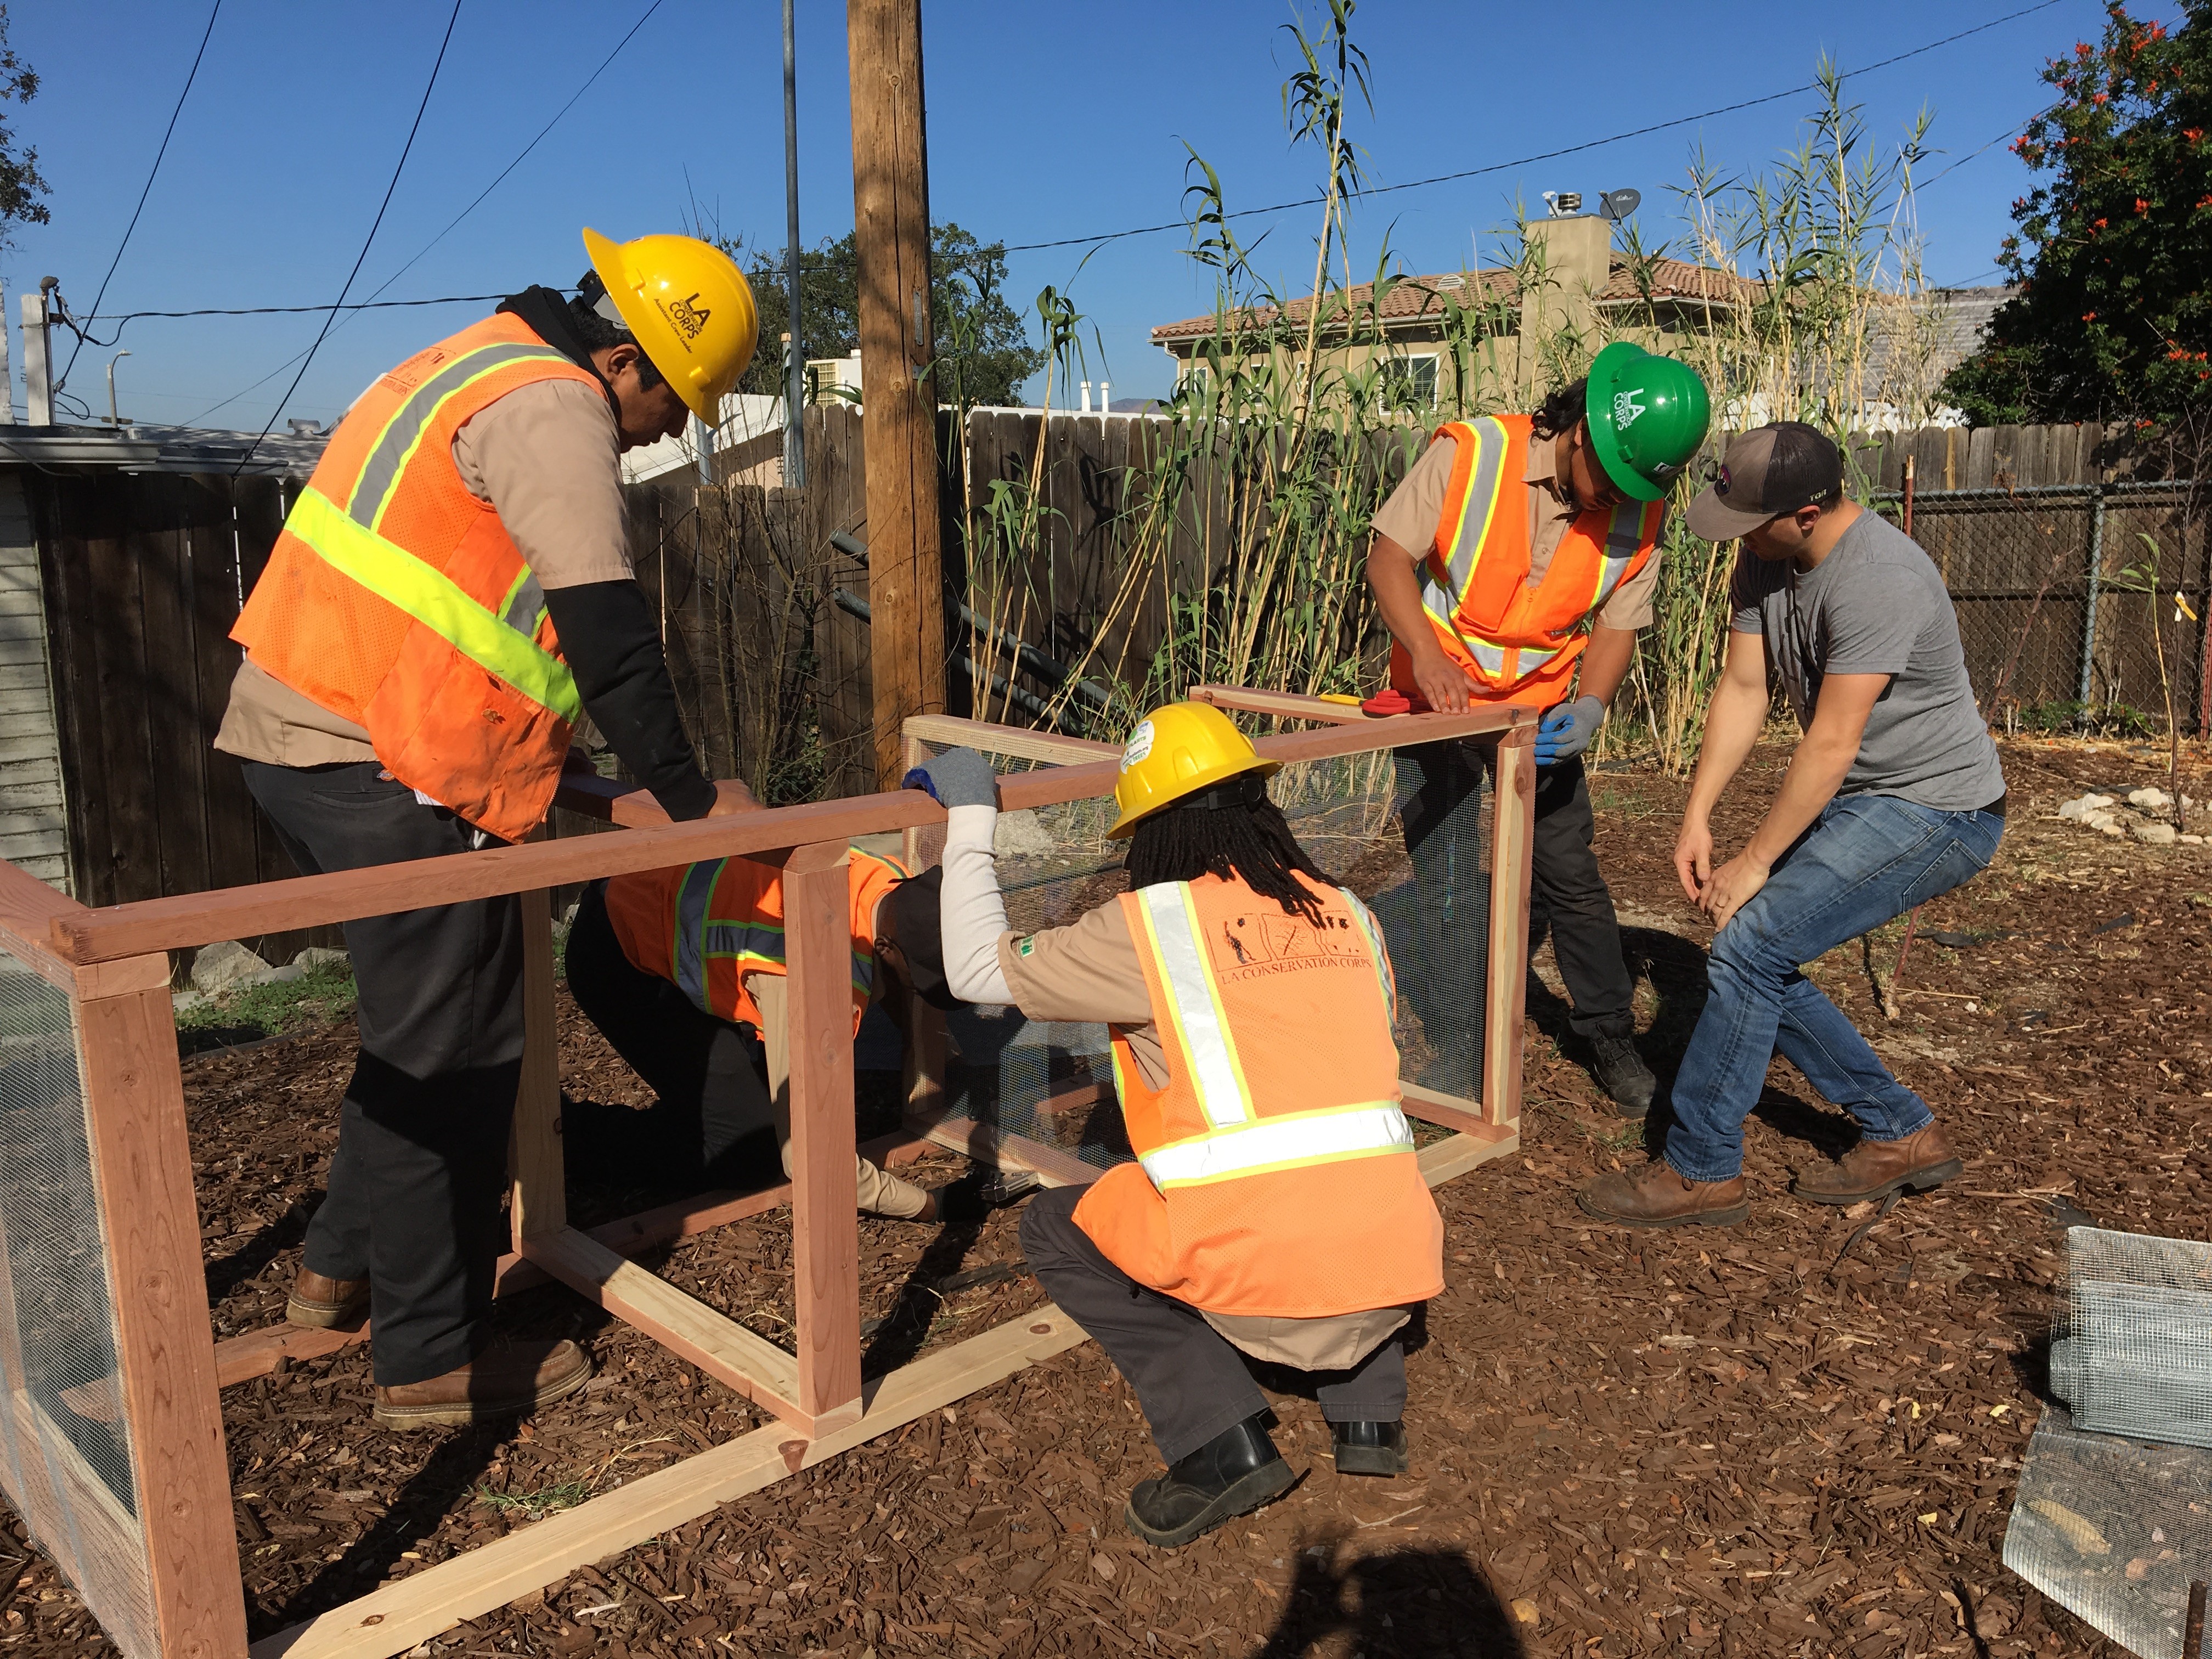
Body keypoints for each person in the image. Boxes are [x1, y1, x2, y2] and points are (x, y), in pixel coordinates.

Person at [215, 228, 761, 1427]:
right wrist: (687, 801)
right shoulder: (555, 410)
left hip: (311, 733)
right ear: (625, 358)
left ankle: (334, 1271)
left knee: (419, 1028)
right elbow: (610, 635)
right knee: (460, 1055)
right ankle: (428, 1360)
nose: (674, 429)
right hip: (384, 763)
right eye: (677, 399)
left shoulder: (473, 362)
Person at [907, 702, 1444, 1549]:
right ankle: (1369, 1417)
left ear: (1151, 833)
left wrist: (971, 816)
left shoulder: (1156, 925)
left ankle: (1220, 1443)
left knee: (1055, 1224)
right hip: (1395, 1267)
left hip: (1274, 1289)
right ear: (1258, 803)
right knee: (1337, 1183)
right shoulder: (1349, 910)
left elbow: (977, 969)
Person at [1577, 422, 2005, 1228]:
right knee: (1757, 951)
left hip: (1940, 810)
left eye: (1752, 522)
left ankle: (1703, 1168)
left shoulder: (1881, 578)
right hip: (1869, 798)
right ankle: (1901, 1132)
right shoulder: (1766, 557)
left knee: (1753, 941)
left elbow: (1833, 741)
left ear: (1808, 513)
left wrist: (1758, 859)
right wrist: (1698, 815)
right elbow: (1745, 689)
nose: (1737, 538)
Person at [1364, 345, 1709, 1116]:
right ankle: (1460, 1038)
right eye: (1606, 481)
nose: (1609, 502)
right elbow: (1388, 559)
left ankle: (1609, 1035)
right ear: (1581, 429)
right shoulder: (1472, 456)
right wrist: (1426, 655)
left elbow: (1619, 622)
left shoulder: (1640, 506)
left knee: (1569, 874)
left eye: (1629, 490)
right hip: (1437, 700)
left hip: (1540, 713)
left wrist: (1591, 706)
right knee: (1446, 879)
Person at [562, 852, 1030, 1223]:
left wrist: (937, 1050)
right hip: (619, 955)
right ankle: (571, 1137)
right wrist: (933, 1205)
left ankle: (707, 1096)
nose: (918, 989)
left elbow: (895, 976)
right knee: (750, 1151)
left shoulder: (893, 883)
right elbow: (809, 1164)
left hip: (676, 910)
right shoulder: (810, 976)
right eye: (920, 979)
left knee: (747, 1093)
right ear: (885, 948)